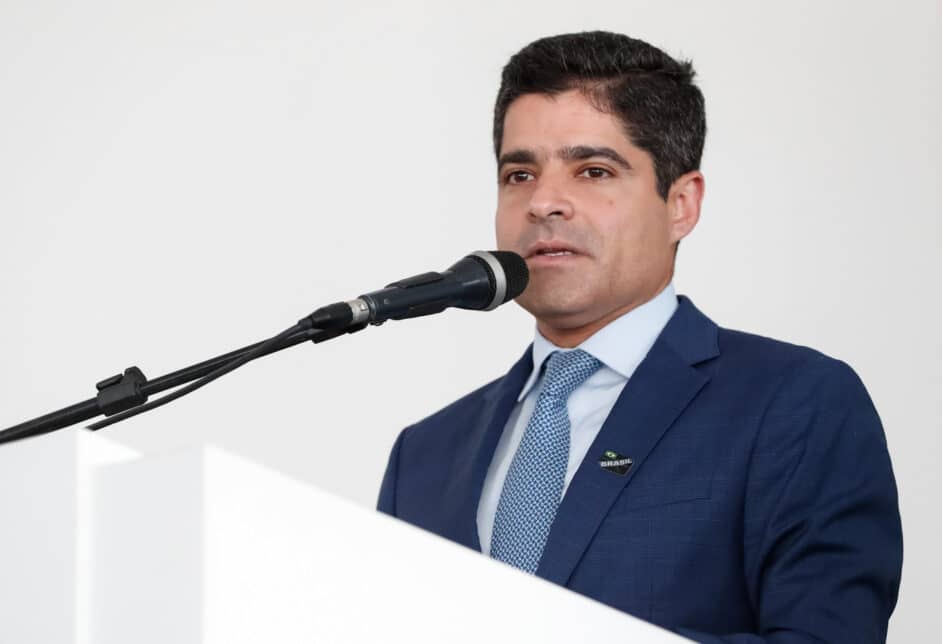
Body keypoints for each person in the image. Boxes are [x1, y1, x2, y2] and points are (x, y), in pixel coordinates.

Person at [377, 31, 902, 643]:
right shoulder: (424, 455)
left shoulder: (795, 404)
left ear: (681, 204)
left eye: (593, 171)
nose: (543, 202)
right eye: (519, 174)